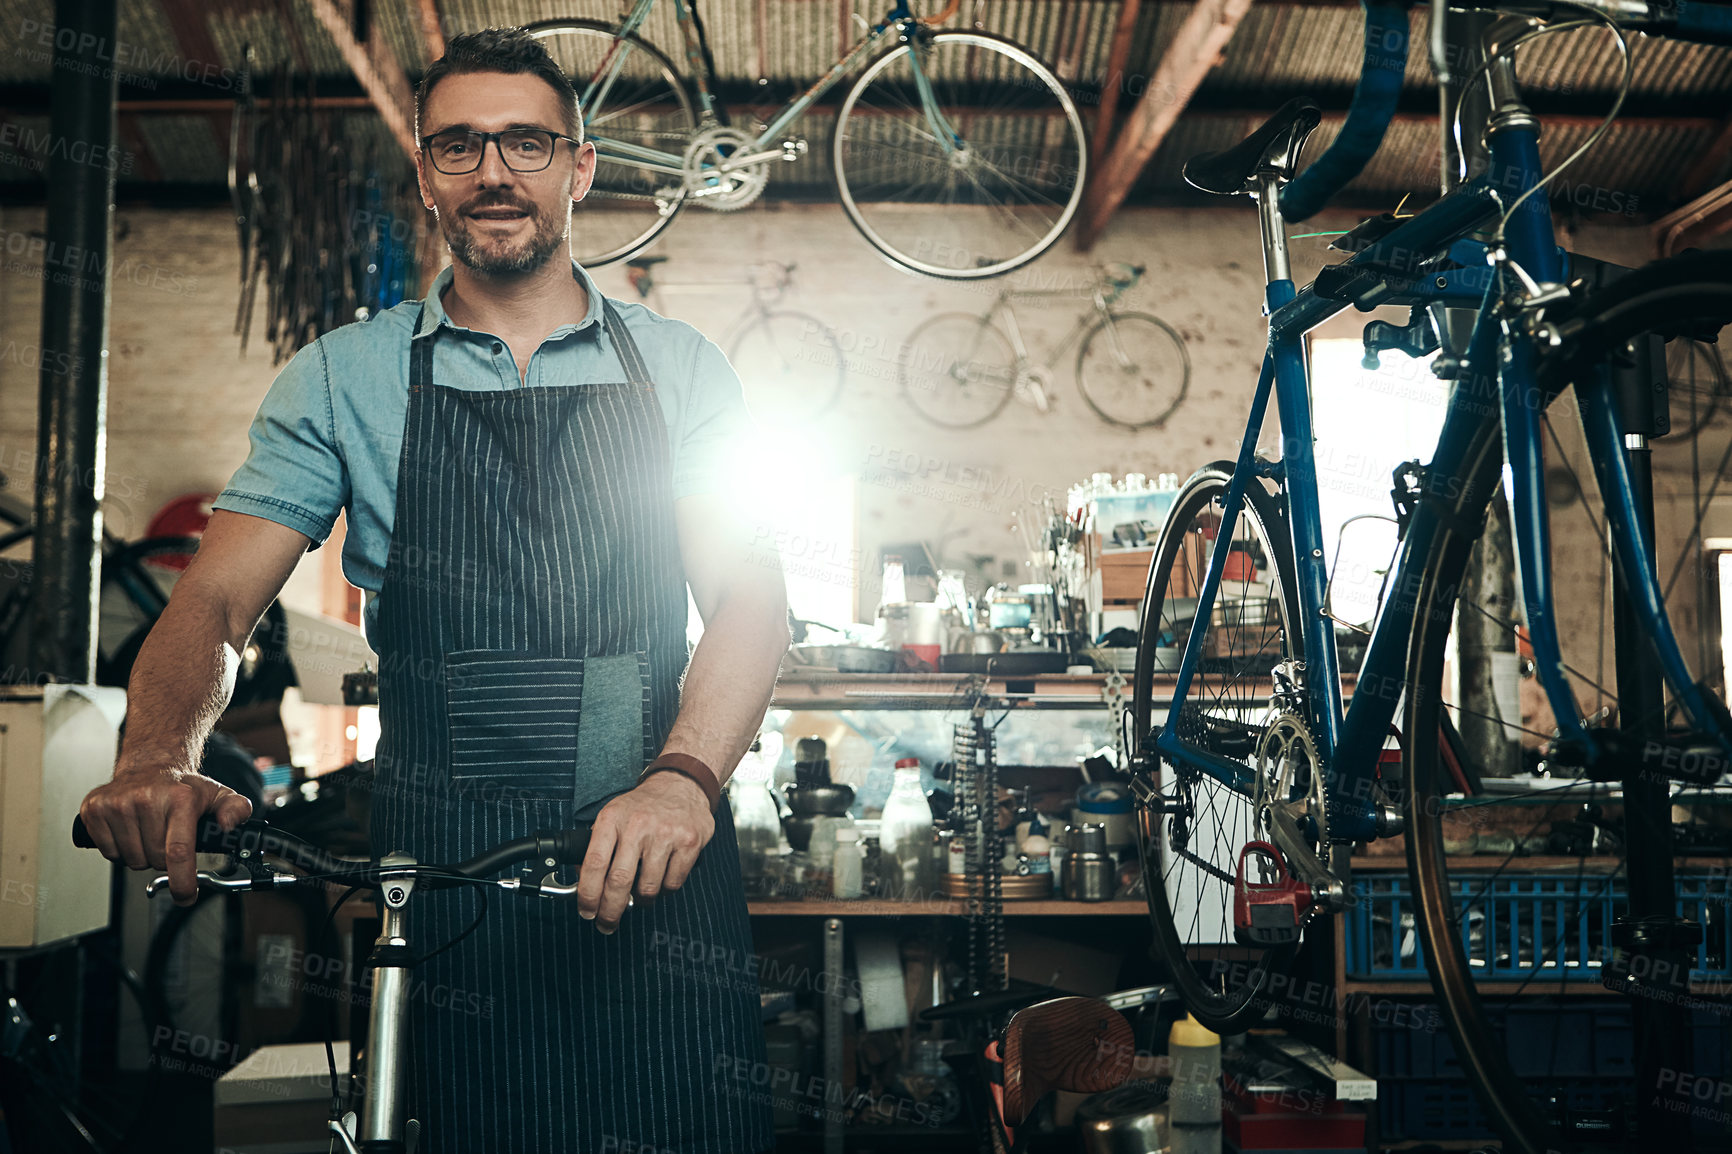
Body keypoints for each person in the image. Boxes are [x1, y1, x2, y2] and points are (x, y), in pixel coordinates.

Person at [77, 27, 786, 1153]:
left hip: (655, 858)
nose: (494, 171)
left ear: (580, 166)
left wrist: (684, 780)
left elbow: (751, 596)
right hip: (442, 883)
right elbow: (212, 604)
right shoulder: (342, 376)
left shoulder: (681, 368)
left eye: (525, 143)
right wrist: (156, 754)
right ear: (425, 174)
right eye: (459, 145)